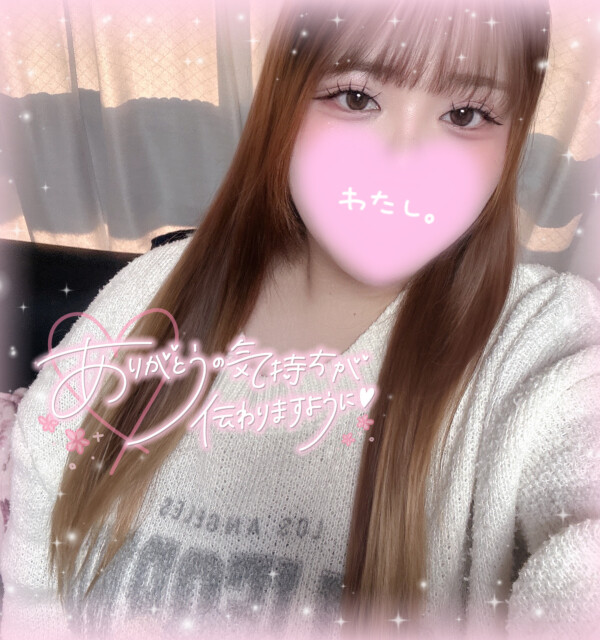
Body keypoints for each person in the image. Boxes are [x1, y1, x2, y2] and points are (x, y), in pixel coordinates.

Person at [1, 0, 599, 639]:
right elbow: (36, 563)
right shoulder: (152, 288)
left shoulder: (549, 339)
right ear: (285, 100)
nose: (403, 160)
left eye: (465, 114)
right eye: (355, 97)